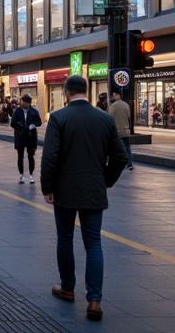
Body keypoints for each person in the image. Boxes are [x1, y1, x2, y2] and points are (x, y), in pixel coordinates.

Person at [41, 75, 128, 322]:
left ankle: (67, 288)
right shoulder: (105, 118)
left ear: (66, 92)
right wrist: (105, 181)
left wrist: (47, 187)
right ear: (86, 91)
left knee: (65, 239)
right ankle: (94, 301)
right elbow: (121, 158)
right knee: (93, 243)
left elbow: (50, 157)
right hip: (93, 190)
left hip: (65, 190)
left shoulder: (58, 118)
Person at [11, 94, 42, 185]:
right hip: (20, 136)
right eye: (23, 103)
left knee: (31, 156)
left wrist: (32, 126)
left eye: (26, 103)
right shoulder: (17, 111)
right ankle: (21, 175)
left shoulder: (34, 111)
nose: (24, 105)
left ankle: (31, 175)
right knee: (20, 156)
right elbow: (12, 123)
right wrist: (20, 127)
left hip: (31, 136)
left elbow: (39, 122)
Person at [106, 91, 134, 170]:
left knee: (114, 148)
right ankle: (130, 163)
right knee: (127, 147)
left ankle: (118, 163)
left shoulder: (112, 106)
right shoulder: (126, 105)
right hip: (125, 130)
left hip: (116, 131)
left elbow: (109, 118)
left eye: (114, 95)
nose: (113, 96)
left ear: (117, 95)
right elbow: (129, 117)